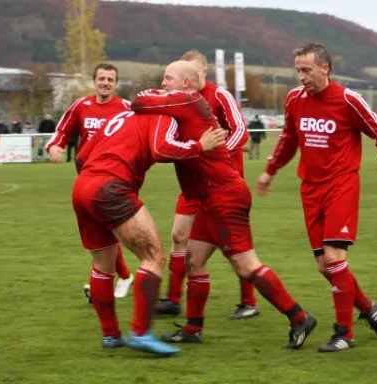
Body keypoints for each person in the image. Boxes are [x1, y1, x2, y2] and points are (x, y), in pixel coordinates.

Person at [132, 61, 317, 349]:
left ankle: (299, 317)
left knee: (246, 266)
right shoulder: (185, 103)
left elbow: (139, 102)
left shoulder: (187, 99)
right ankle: (193, 328)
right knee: (194, 259)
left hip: (224, 196)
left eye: (168, 78)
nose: (163, 83)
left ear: (186, 84)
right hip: (211, 196)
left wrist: (152, 96)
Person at [256, 43, 377, 352]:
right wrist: (270, 170)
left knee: (335, 259)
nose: (301, 77)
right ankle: (368, 306)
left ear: (325, 68)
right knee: (325, 266)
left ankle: (344, 334)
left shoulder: (349, 99)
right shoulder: (295, 99)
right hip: (309, 188)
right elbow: (289, 138)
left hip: (341, 184)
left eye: (306, 70)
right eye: (297, 70)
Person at [73, 93, 226, 354]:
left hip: (83, 187)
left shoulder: (118, 115)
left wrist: (95, 182)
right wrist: (199, 146)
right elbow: (162, 148)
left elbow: (80, 157)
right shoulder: (161, 116)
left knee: (102, 265)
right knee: (154, 256)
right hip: (111, 187)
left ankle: (111, 335)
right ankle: (140, 332)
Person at [154, 49, 258, 321]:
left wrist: (220, 156)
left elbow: (240, 131)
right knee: (179, 236)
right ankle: (173, 299)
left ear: (203, 72)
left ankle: (249, 300)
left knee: (233, 247)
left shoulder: (219, 95)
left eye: (194, 71)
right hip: (194, 182)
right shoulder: (179, 100)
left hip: (222, 182)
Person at [46, 63, 135, 302]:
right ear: (94, 81)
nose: (106, 82)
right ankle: (123, 276)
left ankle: (103, 281)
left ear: (116, 83)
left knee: (106, 228)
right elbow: (63, 129)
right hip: (86, 176)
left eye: (110, 79)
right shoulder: (81, 106)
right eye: (102, 78)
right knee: (101, 229)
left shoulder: (126, 108)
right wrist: (56, 146)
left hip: (114, 178)